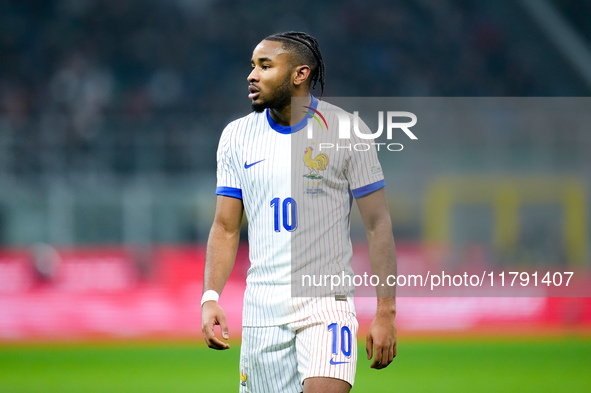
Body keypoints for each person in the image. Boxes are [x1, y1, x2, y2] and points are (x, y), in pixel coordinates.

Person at [201, 31, 397, 393]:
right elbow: (226, 227)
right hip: (263, 308)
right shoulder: (235, 137)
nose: (252, 75)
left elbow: (378, 223)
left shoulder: (347, 131)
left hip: (327, 304)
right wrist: (210, 296)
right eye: (252, 66)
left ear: (299, 74)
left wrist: (385, 311)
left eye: (265, 66)